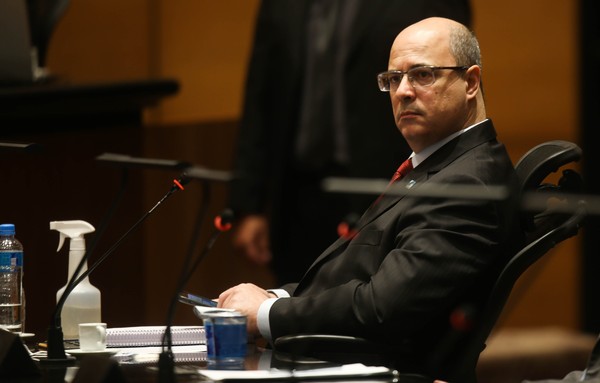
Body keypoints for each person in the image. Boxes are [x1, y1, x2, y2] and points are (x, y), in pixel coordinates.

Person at [219, 17, 524, 378]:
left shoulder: (466, 185)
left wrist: (269, 315)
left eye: (422, 75)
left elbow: (382, 308)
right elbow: (363, 275)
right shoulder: (439, 167)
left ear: (470, 82)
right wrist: (276, 299)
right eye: (394, 79)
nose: (403, 92)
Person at [228, 0, 472, 285]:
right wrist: (248, 205)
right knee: (295, 303)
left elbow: (451, 82)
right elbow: (260, 95)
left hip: (391, 187)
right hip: (299, 194)